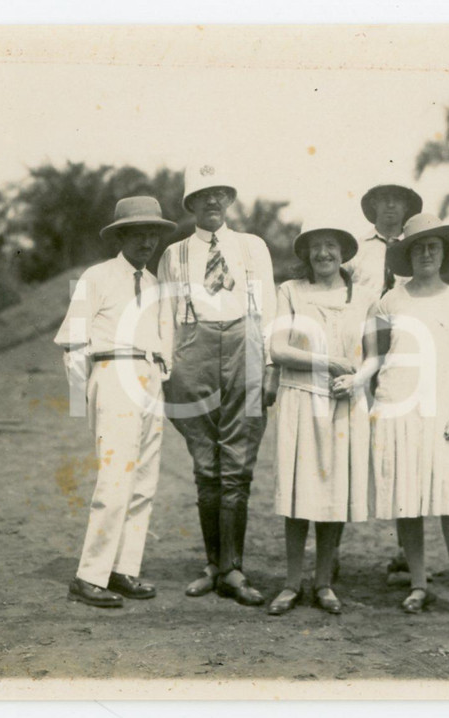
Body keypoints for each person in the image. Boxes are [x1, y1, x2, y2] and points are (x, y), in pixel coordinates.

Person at [339, 213, 449, 620]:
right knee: (408, 499)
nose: (426, 253)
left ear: (443, 253)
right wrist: (365, 391)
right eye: (418, 247)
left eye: (433, 247)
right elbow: (374, 358)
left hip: (445, 413)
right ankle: (418, 583)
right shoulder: (390, 301)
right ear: (407, 253)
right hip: (398, 407)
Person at [157, 164, 279, 607]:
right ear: (190, 203)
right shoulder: (175, 254)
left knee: (238, 462)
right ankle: (214, 564)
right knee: (205, 464)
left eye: (220, 193)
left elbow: (268, 308)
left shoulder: (252, 246)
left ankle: (234, 568)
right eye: (202, 195)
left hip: (245, 346)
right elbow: (166, 316)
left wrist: (269, 364)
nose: (212, 201)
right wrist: (167, 370)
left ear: (229, 199)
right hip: (194, 350)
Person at [54, 196, 176, 608]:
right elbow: (73, 342)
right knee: (115, 479)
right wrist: (86, 395)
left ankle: (124, 568)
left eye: (153, 233)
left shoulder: (156, 283)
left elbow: (164, 341)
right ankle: (89, 575)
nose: (147, 241)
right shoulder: (97, 276)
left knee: (143, 482)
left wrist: (161, 374)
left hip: (148, 379)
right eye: (138, 233)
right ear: (120, 236)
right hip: (112, 374)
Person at [266, 224, 379, 616]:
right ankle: (291, 583)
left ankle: (324, 583)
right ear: (306, 254)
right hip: (299, 398)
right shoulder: (290, 291)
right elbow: (278, 349)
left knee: (334, 493)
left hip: (344, 401)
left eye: (331, 245)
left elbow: (372, 354)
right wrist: (327, 362)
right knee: (299, 494)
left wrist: (357, 379)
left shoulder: (364, 296)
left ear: (343, 251)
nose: (323, 253)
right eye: (315, 247)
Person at [343, 179, 423, 582]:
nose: (390, 208)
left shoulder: (420, 250)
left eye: (398, 202)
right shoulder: (355, 251)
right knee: (347, 447)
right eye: (383, 201)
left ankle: (406, 556)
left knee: (403, 453)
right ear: (372, 207)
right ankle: (331, 551)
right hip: (359, 355)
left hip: (405, 360)